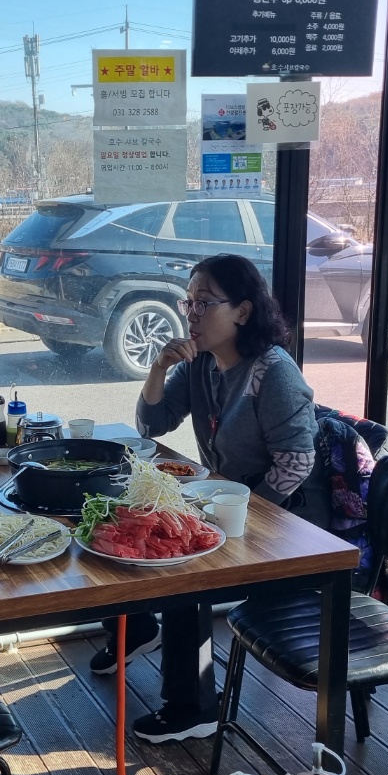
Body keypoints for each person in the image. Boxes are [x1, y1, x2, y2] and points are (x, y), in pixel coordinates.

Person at [93, 253, 330, 743]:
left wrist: (240, 518)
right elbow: (153, 425)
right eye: (189, 302)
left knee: (184, 572)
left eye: (204, 303)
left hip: (288, 522)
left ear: (242, 311)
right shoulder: (201, 363)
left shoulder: (273, 372)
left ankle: (193, 708)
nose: (192, 314)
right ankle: (137, 628)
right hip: (225, 502)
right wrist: (159, 366)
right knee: (129, 520)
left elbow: (297, 463)